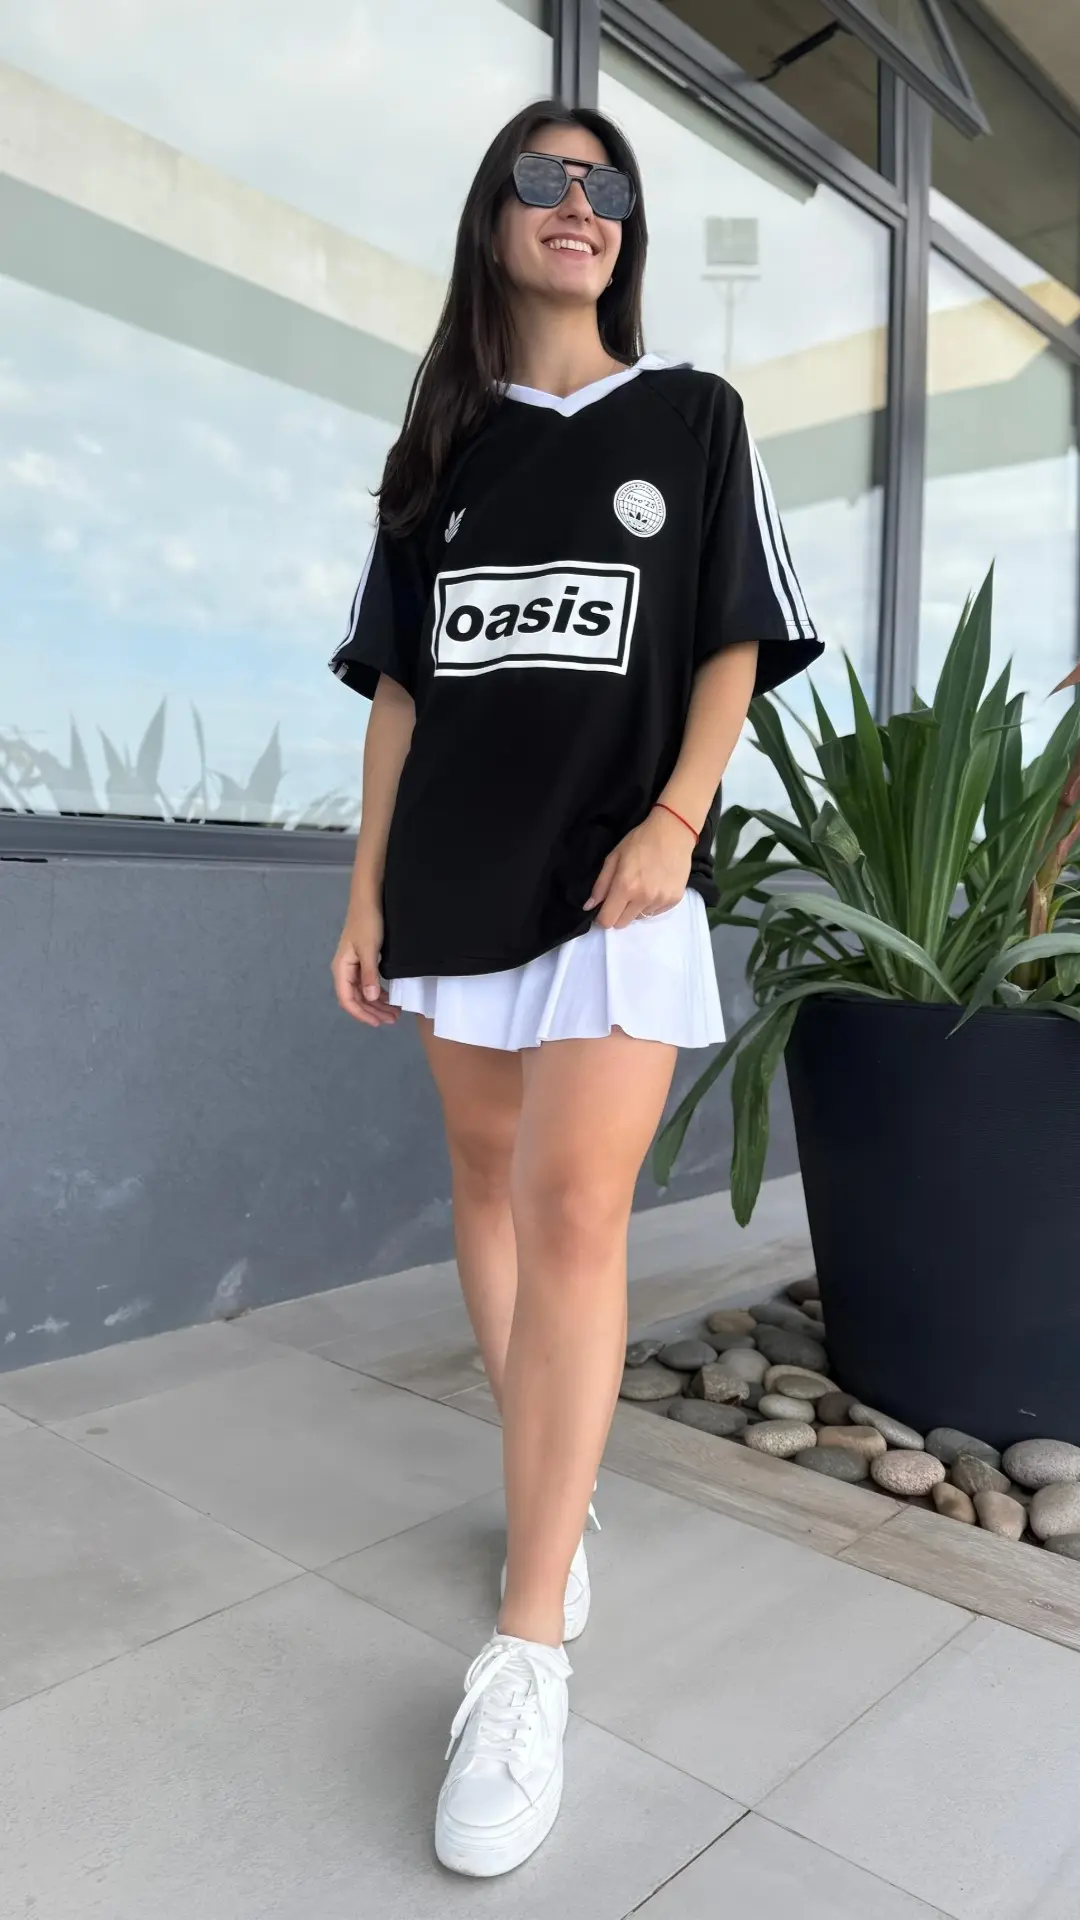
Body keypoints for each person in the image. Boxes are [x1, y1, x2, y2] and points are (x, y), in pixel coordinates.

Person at [329, 98, 822, 1878]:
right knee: (483, 1185)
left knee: (572, 1211)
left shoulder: (693, 417)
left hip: (621, 885)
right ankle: (558, 1483)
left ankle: (526, 1649)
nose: (580, 203)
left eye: (607, 184)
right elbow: (400, 693)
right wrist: (365, 890)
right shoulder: (440, 450)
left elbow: (734, 636)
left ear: (628, 229)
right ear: (494, 217)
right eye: (545, 178)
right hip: (451, 888)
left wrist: (678, 821)